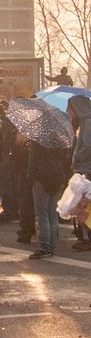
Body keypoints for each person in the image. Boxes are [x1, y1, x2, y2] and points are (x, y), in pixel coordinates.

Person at [28, 136, 68, 260]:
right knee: (52, 213)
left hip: (42, 176)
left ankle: (44, 246)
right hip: (58, 174)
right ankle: (52, 246)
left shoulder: (38, 138)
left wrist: (30, 176)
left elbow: (33, 160)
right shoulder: (60, 138)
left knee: (42, 214)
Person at [70, 96, 91, 252]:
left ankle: (86, 238)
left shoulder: (87, 123)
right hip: (85, 168)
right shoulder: (84, 122)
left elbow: (87, 147)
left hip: (86, 169)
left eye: (70, 108)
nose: (68, 111)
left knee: (83, 205)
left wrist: (77, 156)